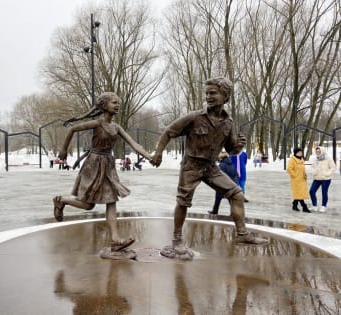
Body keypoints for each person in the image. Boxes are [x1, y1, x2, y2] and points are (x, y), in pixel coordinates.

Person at [151, 77, 268, 260]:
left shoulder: (228, 123)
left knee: (236, 194)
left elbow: (230, 150)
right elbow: (168, 132)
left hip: (211, 167)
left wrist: (239, 146)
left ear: (225, 96)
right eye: (207, 93)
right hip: (192, 165)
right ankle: (177, 239)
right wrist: (158, 153)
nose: (208, 96)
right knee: (183, 201)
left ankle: (242, 234)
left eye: (213, 93)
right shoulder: (194, 117)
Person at [52, 92, 152, 253]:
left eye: (118, 103)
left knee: (111, 200)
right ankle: (61, 200)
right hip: (93, 165)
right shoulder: (97, 124)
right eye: (114, 103)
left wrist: (149, 156)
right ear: (104, 106)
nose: (117, 105)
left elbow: (134, 145)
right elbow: (72, 129)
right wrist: (63, 150)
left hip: (109, 166)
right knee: (88, 205)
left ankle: (115, 239)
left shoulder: (116, 127)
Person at [309, 146, 336, 212]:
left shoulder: (328, 158)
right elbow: (312, 167)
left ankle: (323, 206)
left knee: (324, 192)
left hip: (326, 179)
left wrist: (326, 174)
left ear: (322, 151)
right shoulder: (315, 159)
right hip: (317, 178)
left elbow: (333, 168)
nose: (317, 152)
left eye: (319, 151)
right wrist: (314, 171)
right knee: (311, 191)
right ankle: (314, 206)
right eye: (316, 151)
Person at [286, 148, 311, 213]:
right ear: (296, 153)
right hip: (296, 180)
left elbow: (302, 169)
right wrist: (295, 175)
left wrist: (305, 174)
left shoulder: (302, 159)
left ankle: (294, 205)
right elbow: (289, 169)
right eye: (299, 152)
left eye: (301, 152)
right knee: (299, 194)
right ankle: (304, 207)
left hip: (302, 180)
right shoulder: (292, 160)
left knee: (299, 194)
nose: (300, 153)